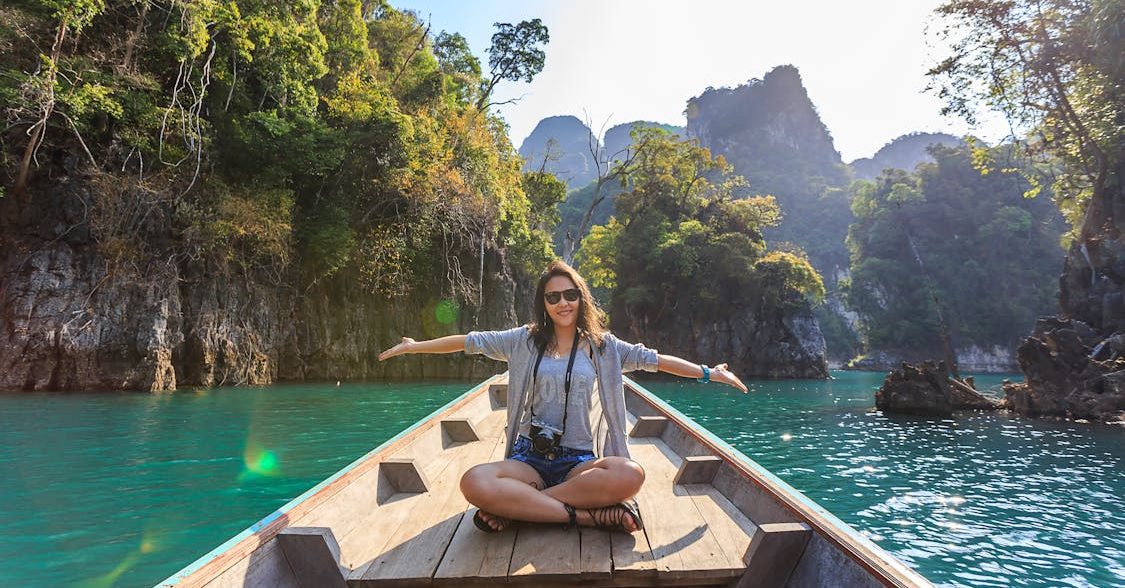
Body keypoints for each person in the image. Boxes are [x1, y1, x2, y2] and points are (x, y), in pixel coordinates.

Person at [378, 260, 747, 533]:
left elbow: (656, 361)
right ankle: (585, 515)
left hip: (578, 462)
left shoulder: (605, 348)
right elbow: (468, 341)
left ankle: (519, 509)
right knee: (473, 481)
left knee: (629, 473)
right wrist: (414, 347)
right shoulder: (522, 340)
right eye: (552, 296)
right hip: (530, 459)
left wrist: (708, 373)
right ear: (544, 302)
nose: (562, 302)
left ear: (580, 298)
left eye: (570, 294)